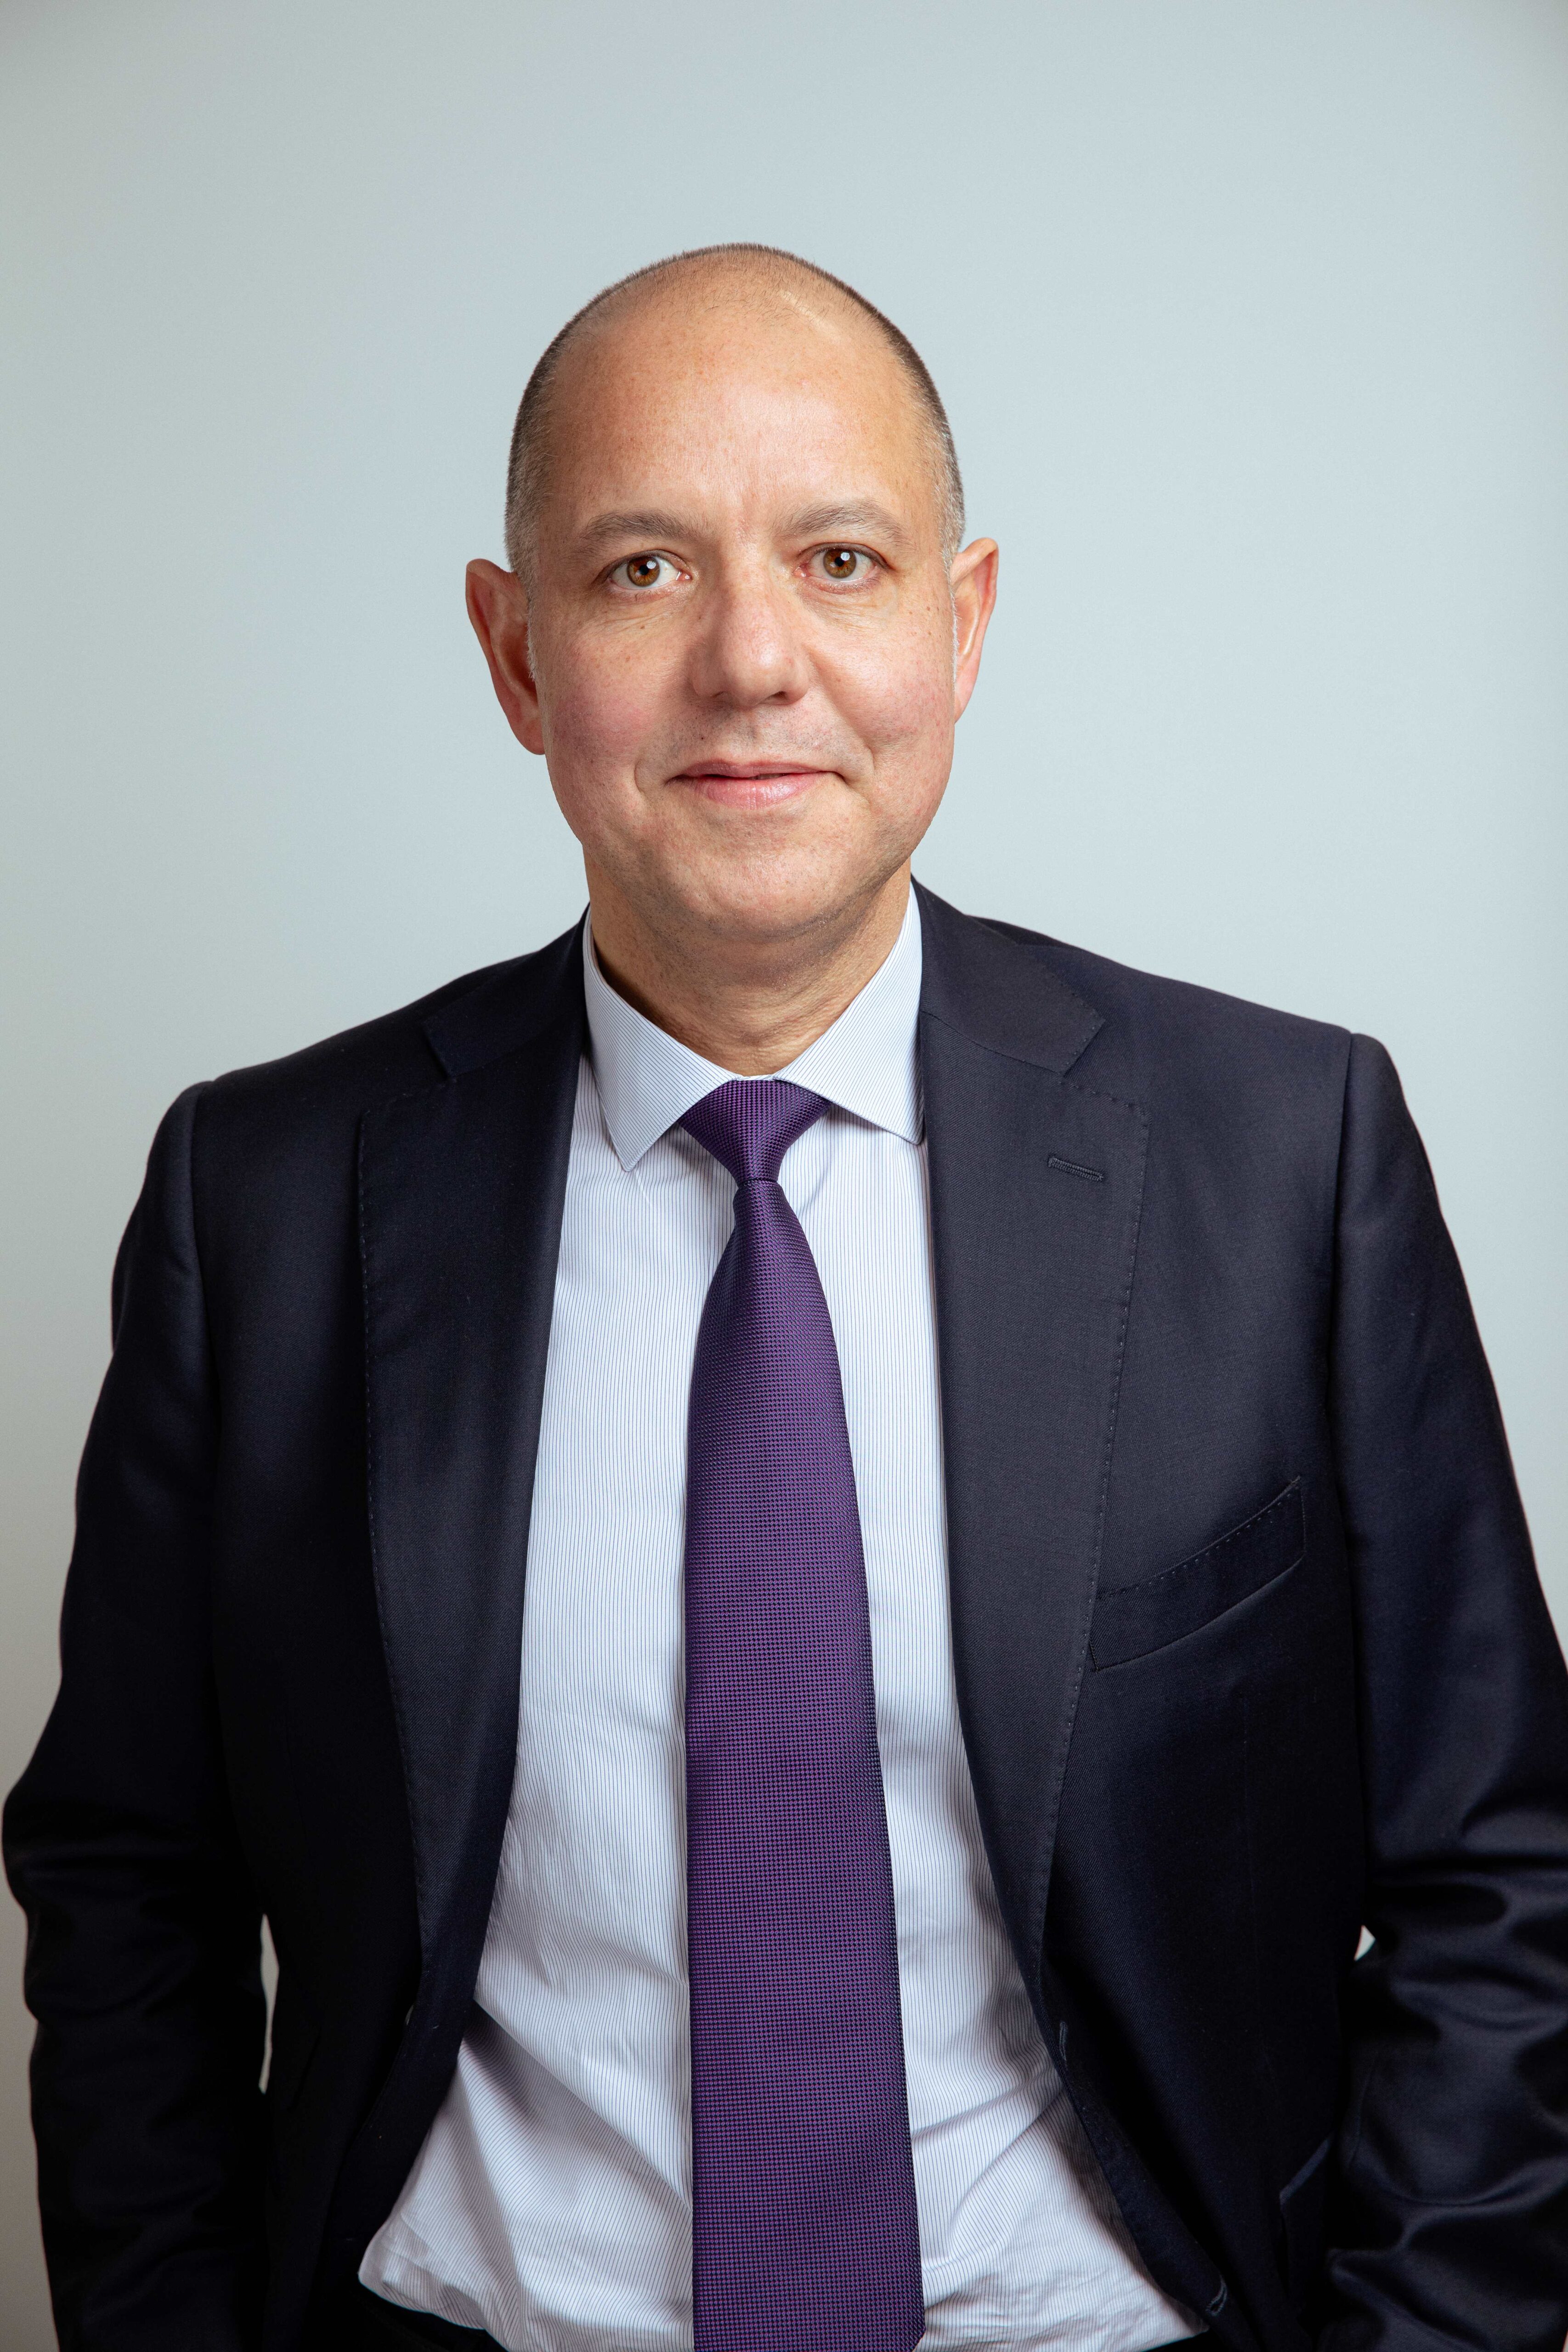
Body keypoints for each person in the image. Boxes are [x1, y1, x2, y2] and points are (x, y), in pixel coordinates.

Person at [6, 243, 1568, 2352]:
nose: (752, 660)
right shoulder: (264, 1198)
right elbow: (130, 1877)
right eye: (642, 569)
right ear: (515, 652)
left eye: (839, 560)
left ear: (961, 620)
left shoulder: (1283, 1155)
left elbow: (1499, 1872)